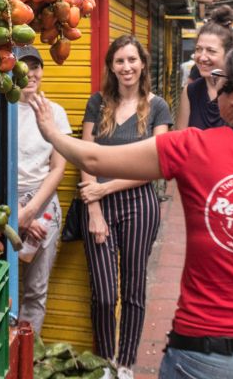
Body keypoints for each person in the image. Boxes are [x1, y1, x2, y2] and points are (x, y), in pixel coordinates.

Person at [29, 39, 233, 379]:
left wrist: (52, 131)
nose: (216, 92)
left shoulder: (193, 146)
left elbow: (93, 156)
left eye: (221, 83)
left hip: (202, 353)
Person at [79, 35, 172, 379]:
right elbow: (86, 157)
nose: (126, 67)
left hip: (140, 204)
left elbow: (158, 164)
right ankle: (105, 363)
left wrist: (108, 187)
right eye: (119, 61)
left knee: (133, 289)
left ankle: (126, 365)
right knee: (103, 294)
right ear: (111, 66)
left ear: (143, 64)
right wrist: (94, 208)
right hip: (97, 204)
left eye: (132, 60)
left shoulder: (158, 107)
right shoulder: (97, 103)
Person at [0, 45, 70, 334]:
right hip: (3, 202)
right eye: (23, 67)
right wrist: (15, 212)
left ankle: (27, 359)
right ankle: (3, 350)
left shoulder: (55, 113)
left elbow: (58, 169)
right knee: (0, 283)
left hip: (42, 204)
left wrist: (30, 213)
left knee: (36, 290)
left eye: (36, 66)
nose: (31, 73)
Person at [175, 5, 233, 131]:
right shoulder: (190, 91)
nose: (202, 57)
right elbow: (179, 140)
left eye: (211, 51)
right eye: (198, 49)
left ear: (228, 54)